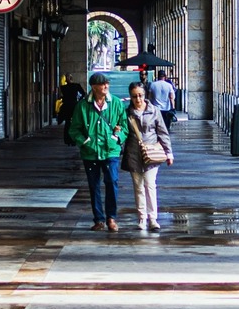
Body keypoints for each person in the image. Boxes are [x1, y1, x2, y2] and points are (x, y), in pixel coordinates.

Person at [67, 72, 127, 232]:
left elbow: (124, 125)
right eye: (102, 84)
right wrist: (85, 142)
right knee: (94, 186)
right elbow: (74, 130)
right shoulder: (82, 106)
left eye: (107, 83)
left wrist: (117, 137)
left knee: (112, 182)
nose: (106, 86)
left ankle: (111, 218)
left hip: (110, 151)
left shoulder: (115, 103)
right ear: (94, 87)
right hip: (90, 152)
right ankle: (99, 219)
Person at [122, 81, 173, 231]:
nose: (138, 99)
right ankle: (142, 218)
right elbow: (123, 133)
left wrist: (168, 152)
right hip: (133, 154)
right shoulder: (127, 113)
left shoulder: (154, 111)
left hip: (151, 153)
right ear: (130, 97)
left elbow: (163, 132)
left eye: (140, 95)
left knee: (150, 185)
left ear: (145, 95)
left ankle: (153, 218)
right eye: (134, 96)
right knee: (138, 187)